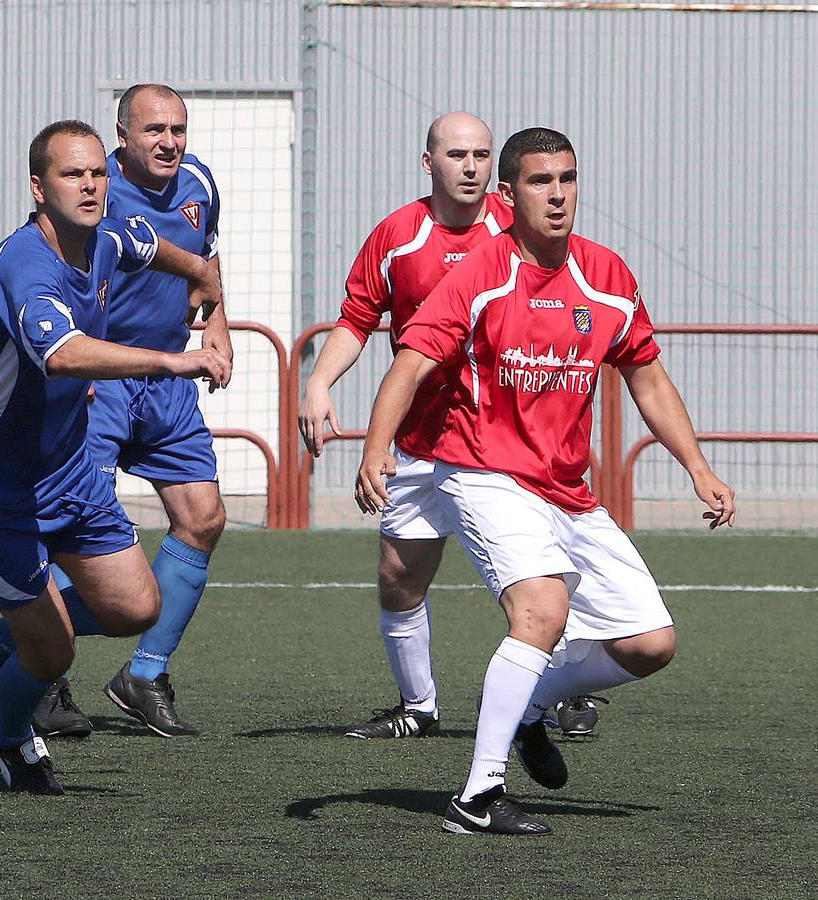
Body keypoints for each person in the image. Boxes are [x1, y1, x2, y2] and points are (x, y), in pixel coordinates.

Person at [355, 127, 734, 835]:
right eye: (539, 181)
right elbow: (410, 362)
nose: (557, 194)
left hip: (567, 489)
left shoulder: (608, 276)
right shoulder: (480, 273)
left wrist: (698, 466)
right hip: (485, 472)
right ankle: (477, 797)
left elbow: (648, 377)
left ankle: (529, 704)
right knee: (541, 610)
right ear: (509, 193)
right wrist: (377, 448)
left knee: (650, 644)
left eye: (567, 178)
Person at [0, 120, 229, 794]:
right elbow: (62, 354)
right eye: (72, 174)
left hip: (63, 467)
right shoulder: (24, 263)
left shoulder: (107, 237)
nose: (90, 185)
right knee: (53, 651)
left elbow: (152, 245)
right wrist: (170, 359)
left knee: (137, 608)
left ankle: (1, 639)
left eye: (97, 172)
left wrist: (201, 281)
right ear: (39, 188)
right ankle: (12, 739)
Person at [299, 112, 510, 740]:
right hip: (418, 440)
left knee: (530, 577)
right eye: (457, 155)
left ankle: (559, 693)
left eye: (481, 155)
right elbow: (357, 318)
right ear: (428, 163)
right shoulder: (397, 235)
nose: (470, 167)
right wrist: (318, 382)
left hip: (500, 444)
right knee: (398, 576)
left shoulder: (516, 228)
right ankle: (418, 707)